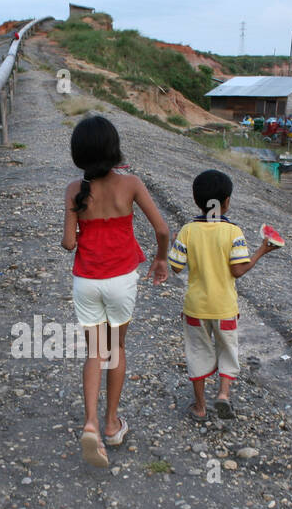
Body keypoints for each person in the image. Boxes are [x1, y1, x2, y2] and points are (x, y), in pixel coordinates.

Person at [61, 115, 170, 468]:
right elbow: (163, 230)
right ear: (114, 148)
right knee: (117, 347)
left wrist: (80, 230)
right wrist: (160, 261)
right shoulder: (131, 184)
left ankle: (90, 422)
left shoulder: (73, 190)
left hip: (87, 281)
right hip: (121, 280)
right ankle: (111, 424)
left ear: (79, 154)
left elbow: (66, 243)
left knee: (95, 350)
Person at [168, 169, 280, 421]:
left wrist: (174, 242)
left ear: (196, 200)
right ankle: (223, 395)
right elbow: (238, 270)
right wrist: (262, 250)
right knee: (228, 350)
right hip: (225, 308)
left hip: (195, 308)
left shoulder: (188, 230)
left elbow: (175, 267)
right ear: (227, 201)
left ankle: (199, 407)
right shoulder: (234, 232)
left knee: (197, 353)